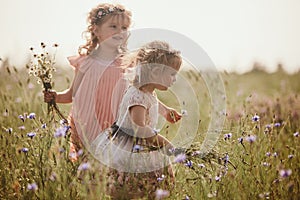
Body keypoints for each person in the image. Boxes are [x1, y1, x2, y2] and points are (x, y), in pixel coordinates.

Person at [90, 40, 183, 199]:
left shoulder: (146, 91)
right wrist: (166, 144)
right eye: (172, 74)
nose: (174, 79)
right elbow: (139, 129)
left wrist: (166, 111)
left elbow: (152, 103)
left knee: (146, 187)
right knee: (132, 187)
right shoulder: (137, 97)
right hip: (130, 148)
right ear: (155, 73)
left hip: (140, 145)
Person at [44, 3, 132, 156]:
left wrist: (164, 110)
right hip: (86, 125)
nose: (120, 32)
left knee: (113, 167)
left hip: (115, 125)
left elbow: (139, 94)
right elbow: (72, 94)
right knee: (88, 168)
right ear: (96, 30)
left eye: (124, 28)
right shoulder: (86, 62)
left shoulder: (126, 63)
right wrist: (55, 97)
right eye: (113, 26)